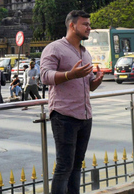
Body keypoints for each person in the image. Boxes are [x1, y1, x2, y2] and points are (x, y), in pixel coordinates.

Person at [40, 10, 104, 194]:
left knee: (77, 165)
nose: (89, 28)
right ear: (72, 25)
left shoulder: (85, 53)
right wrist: (70, 74)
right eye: (85, 24)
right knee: (64, 167)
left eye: (89, 24)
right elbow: (45, 76)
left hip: (85, 116)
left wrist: (96, 81)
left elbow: (88, 86)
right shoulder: (54, 48)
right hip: (64, 115)